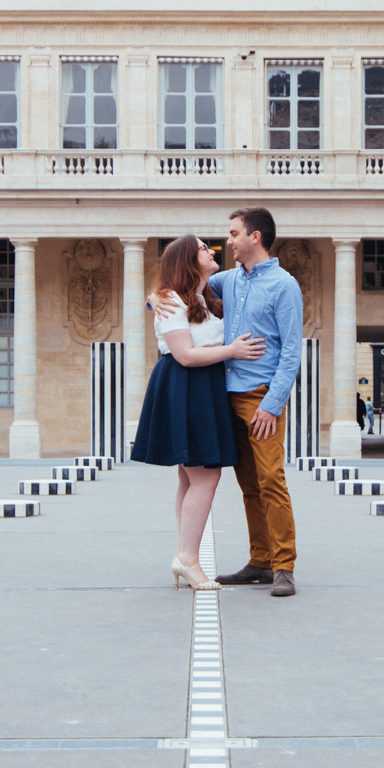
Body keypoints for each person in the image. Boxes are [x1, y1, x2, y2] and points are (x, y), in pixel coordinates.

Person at [154, 207, 305, 597]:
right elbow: (182, 283)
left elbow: (291, 352)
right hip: (223, 393)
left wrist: (273, 404)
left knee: (271, 479)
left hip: (260, 397)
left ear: (255, 237)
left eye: (234, 233)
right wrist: (154, 299)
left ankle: (283, 565)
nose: (228, 241)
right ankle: (259, 560)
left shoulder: (284, 286)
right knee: (248, 483)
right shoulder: (228, 280)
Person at [130, 235, 264, 592]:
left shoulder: (203, 294)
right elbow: (185, 354)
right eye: (204, 249)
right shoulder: (170, 299)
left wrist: (152, 295)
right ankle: (187, 559)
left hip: (201, 386)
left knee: (191, 478)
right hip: (186, 382)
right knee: (205, 476)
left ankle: (185, 555)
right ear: (189, 260)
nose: (212, 251)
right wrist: (232, 350)